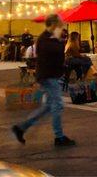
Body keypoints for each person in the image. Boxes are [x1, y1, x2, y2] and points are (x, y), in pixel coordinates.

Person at [12, 14, 76, 147]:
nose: (60, 27)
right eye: (59, 25)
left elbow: (58, 54)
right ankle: (59, 137)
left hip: (50, 76)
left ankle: (21, 128)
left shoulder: (50, 38)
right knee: (57, 105)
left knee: (48, 107)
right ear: (53, 25)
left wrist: (58, 39)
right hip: (48, 77)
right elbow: (54, 52)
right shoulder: (44, 39)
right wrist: (59, 40)